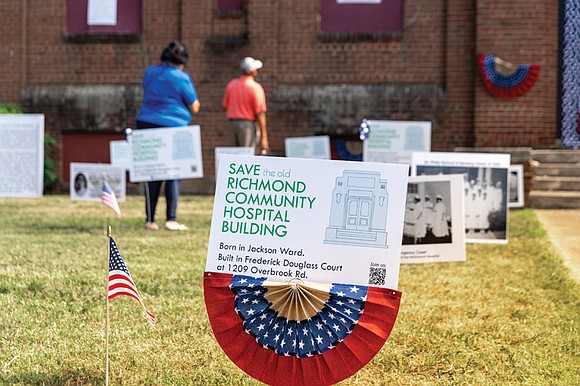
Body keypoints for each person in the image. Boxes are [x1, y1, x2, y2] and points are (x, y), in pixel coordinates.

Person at [135, 41, 200, 231]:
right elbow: (194, 106)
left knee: (152, 172)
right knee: (173, 172)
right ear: (182, 62)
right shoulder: (181, 77)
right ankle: (170, 219)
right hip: (173, 126)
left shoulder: (150, 72)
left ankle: (150, 220)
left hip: (146, 124)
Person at [222, 57, 269, 155]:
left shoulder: (231, 85)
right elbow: (260, 113)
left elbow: (224, 106)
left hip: (231, 124)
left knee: (232, 157)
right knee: (246, 156)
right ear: (252, 71)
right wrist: (264, 138)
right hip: (247, 126)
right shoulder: (255, 88)